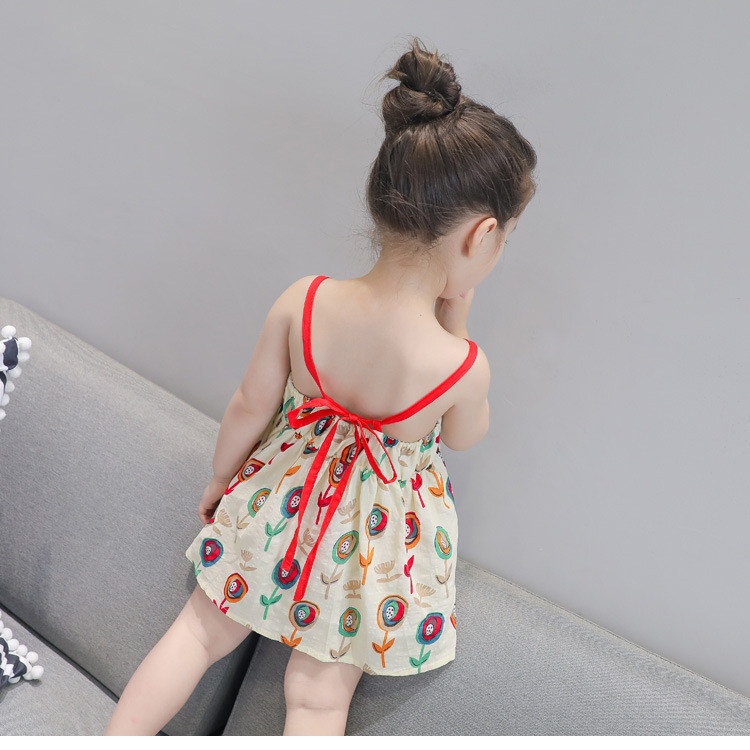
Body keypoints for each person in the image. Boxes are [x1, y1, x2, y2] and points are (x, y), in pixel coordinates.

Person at [104, 34, 537, 737]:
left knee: (196, 635)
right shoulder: (460, 365)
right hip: (365, 552)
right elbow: (465, 434)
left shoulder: (303, 300)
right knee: (316, 699)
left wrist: (221, 479)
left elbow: (250, 405)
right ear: (480, 235)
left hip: (277, 503)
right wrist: (458, 326)